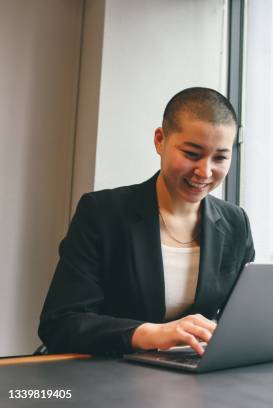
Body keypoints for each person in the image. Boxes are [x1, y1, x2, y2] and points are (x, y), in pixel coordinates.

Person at [38, 87, 255, 356]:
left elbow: (242, 319)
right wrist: (151, 333)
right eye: (191, 154)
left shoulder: (236, 223)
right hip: (111, 376)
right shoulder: (102, 213)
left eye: (220, 157)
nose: (205, 171)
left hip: (193, 377)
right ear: (160, 140)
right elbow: (60, 323)